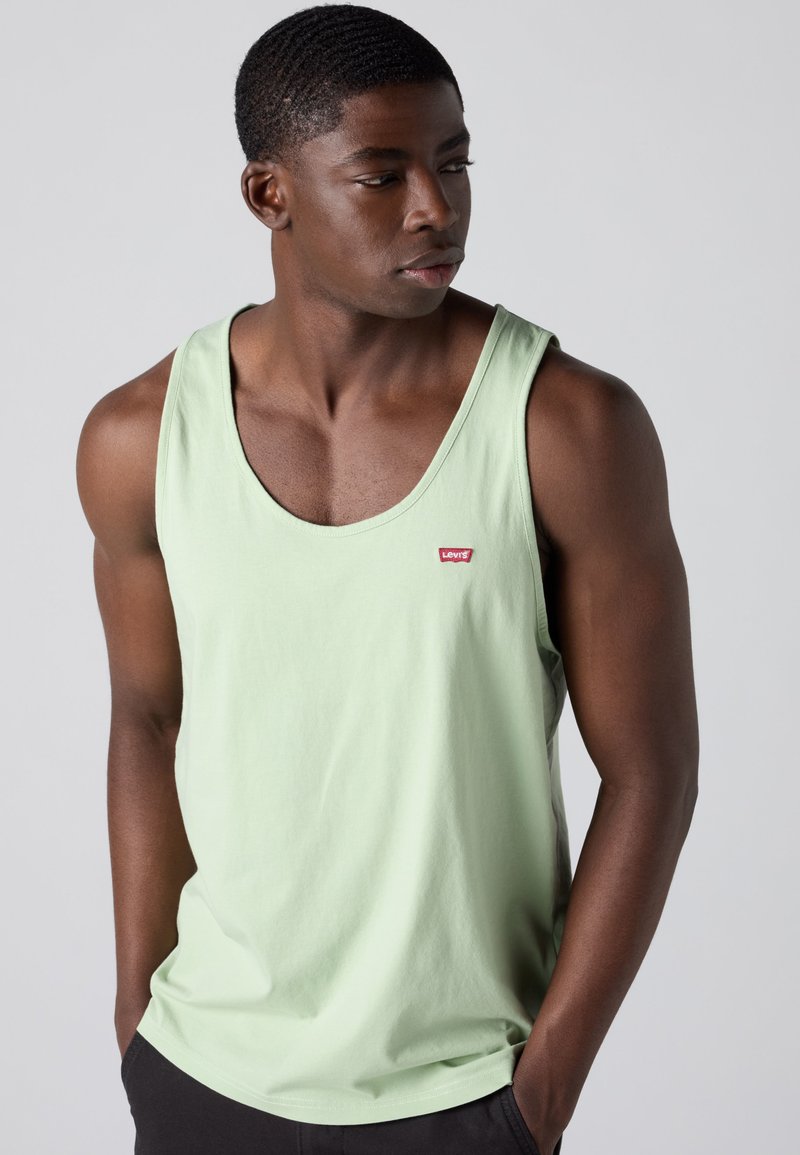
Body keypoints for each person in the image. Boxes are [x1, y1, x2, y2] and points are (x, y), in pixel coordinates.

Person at [75, 5, 699, 1153]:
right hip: (202, 1073)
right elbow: (144, 718)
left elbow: (649, 769)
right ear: (269, 194)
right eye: (382, 175)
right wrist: (137, 1018)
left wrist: (540, 1092)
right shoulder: (139, 436)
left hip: (464, 1098)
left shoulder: (566, 427)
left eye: (453, 163)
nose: (435, 207)